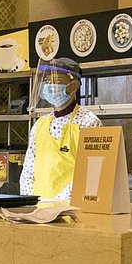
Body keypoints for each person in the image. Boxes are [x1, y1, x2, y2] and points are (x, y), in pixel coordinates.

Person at [19, 58, 101, 202]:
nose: (50, 86)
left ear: (74, 85)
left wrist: (55, 204)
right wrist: (31, 201)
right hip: (38, 209)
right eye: (47, 81)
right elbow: (28, 171)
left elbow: (88, 173)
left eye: (57, 81)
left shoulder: (89, 123)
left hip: (70, 209)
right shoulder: (39, 125)